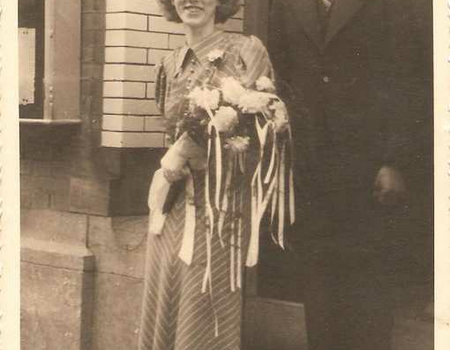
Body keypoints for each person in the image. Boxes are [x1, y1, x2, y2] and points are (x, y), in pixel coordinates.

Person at [267, 0, 428, 349]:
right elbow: (279, 76)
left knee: (367, 282)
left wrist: (395, 160)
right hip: (308, 164)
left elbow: (409, 80)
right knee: (319, 279)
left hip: (368, 166)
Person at [138, 1, 281, 349]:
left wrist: (187, 150)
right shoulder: (168, 63)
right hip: (173, 195)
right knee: (167, 285)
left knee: (204, 297)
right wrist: (173, 161)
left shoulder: (245, 52)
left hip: (220, 199)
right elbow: (169, 128)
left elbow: (261, 121)